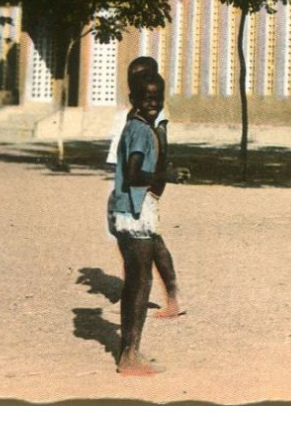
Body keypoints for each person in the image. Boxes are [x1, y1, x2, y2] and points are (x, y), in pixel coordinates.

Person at [106, 55, 182, 319]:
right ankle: (140, 290)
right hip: (131, 182)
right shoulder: (136, 113)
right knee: (135, 238)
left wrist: (159, 179)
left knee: (148, 241)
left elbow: (159, 150)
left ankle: (164, 296)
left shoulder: (156, 116)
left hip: (143, 184)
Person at [108, 71, 174, 375]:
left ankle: (131, 351)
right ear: (133, 99)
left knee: (140, 281)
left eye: (157, 98)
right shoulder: (138, 130)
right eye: (146, 98)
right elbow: (134, 174)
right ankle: (129, 355)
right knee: (138, 283)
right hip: (134, 211)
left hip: (136, 209)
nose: (152, 103)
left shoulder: (143, 127)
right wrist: (165, 177)